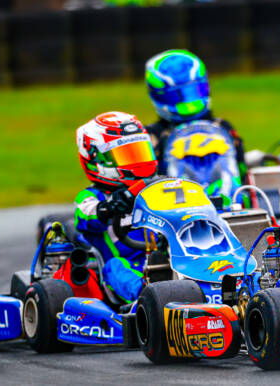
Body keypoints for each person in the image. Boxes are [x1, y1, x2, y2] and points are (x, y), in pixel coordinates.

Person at [73, 112, 158, 303]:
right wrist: (108, 208)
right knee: (114, 266)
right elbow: (86, 214)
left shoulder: (158, 187)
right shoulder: (92, 197)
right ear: (97, 160)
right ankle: (147, 297)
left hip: (165, 259)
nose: (136, 161)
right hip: (129, 268)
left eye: (139, 151)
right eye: (126, 155)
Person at [142, 49, 248, 184]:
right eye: (176, 95)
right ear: (157, 95)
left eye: (193, 91)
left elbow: (242, 173)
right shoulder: (150, 138)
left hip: (230, 201)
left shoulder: (223, 128)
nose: (188, 102)